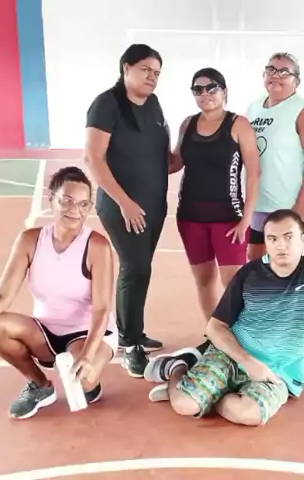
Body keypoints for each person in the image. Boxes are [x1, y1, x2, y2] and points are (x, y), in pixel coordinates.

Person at [142, 210, 304, 426]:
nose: (280, 245)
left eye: (288, 237)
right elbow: (215, 327)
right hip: (232, 356)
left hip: (279, 370)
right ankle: (179, 367)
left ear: (302, 238)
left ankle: (209, 393)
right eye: (272, 239)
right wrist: (248, 362)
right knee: (184, 405)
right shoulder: (249, 273)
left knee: (248, 414)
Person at [0, 167, 118, 419]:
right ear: (51, 198)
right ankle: (39, 384)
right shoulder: (30, 240)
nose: (75, 210)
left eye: (83, 204)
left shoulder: (97, 246)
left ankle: (89, 381)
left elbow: (102, 309)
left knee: (83, 381)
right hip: (45, 332)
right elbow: (1, 295)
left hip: (87, 332)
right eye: (67, 200)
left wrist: (88, 355)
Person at [83, 43, 174, 377]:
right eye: (145, 69)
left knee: (141, 269)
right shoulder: (106, 104)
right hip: (122, 206)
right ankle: (130, 343)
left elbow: (164, 158)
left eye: (157, 72)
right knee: (135, 267)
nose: (152, 77)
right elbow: (93, 159)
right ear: (126, 69)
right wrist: (125, 202)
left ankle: (133, 330)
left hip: (153, 206)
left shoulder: (154, 105)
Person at [170, 68, 261, 330]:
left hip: (229, 219)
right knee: (204, 281)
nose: (205, 94)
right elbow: (175, 162)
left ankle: (239, 336)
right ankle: (215, 336)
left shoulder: (238, 124)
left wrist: (246, 219)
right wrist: (142, 149)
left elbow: (254, 173)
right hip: (190, 217)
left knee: (233, 284)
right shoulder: (187, 124)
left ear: (224, 91)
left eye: (211, 88)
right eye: (198, 89)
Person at [244, 52, 304, 261]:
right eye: (271, 69)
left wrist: (301, 206)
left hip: (287, 205)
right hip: (258, 203)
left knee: (283, 261)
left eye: (284, 72)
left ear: (296, 81)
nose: (276, 75)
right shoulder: (254, 107)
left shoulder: (303, 111)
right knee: (256, 260)